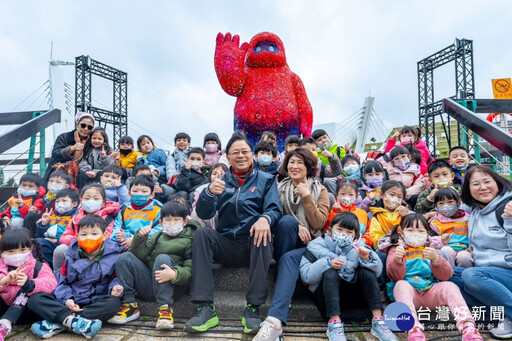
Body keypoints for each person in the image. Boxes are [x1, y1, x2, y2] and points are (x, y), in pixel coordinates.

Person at [184, 132, 282, 335]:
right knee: (202, 234)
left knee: (263, 234)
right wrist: (209, 193)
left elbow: (274, 209)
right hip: (226, 243)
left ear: (252, 155)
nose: (240, 156)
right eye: (235, 152)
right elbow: (204, 213)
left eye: (245, 151)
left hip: (252, 244)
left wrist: (265, 219)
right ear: (227, 157)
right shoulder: (221, 181)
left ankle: (253, 309)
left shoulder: (266, 180)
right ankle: (205, 308)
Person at [253, 147, 329, 341]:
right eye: (291, 163)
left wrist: (307, 196)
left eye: (300, 163)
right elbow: (273, 213)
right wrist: (296, 223)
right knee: (287, 223)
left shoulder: (320, 189)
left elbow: (319, 223)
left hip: (311, 246)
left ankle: (274, 322)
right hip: (285, 242)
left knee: (289, 257)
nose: (294, 167)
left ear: (309, 167)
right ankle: (276, 320)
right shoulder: (278, 187)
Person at [300, 212, 397, 341]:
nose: (344, 234)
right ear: (330, 231)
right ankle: (334, 324)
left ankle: (378, 321)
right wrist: (327, 263)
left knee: (367, 273)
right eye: (339, 230)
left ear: (355, 236)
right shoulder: (315, 245)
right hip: (327, 302)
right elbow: (306, 277)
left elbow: (378, 273)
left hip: (355, 302)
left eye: (349, 232)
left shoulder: (360, 246)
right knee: (330, 272)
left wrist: (368, 258)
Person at [386, 214, 483, 341]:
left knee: (450, 286)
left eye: (420, 231)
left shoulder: (430, 249)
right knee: (400, 285)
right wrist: (398, 259)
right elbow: (395, 276)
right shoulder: (396, 250)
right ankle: (413, 329)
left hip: (430, 292)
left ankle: (468, 327)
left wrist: (436, 259)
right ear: (402, 233)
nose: (415, 233)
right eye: (410, 230)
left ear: (427, 234)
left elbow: (446, 275)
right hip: (410, 294)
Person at [29, 215, 124, 339]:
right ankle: (77, 322)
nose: (89, 238)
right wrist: (67, 300)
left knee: (113, 303)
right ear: (77, 236)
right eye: (83, 234)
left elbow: (114, 279)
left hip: (95, 302)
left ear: (104, 235)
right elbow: (61, 281)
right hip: (70, 301)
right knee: (35, 299)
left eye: (94, 234)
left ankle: (63, 321)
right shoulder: (70, 255)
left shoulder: (115, 256)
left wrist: (116, 287)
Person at [109, 202, 197, 329]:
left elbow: (191, 268)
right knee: (125, 257)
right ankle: (129, 305)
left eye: (176, 220)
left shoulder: (191, 239)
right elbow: (140, 256)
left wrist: (175, 274)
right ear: (161, 223)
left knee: (163, 258)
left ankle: (165, 310)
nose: (172, 223)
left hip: (172, 289)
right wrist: (140, 238)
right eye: (168, 220)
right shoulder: (158, 236)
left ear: (185, 222)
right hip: (150, 285)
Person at [450, 166, 512, 339]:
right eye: (476, 184)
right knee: (445, 273)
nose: (483, 187)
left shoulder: (508, 207)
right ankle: (503, 314)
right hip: (487, 274)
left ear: (497, 182)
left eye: (487, 182)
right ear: (468, 190)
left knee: (471, 276)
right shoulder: (477, 210)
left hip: (506, 272)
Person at [0, 229, 57, 340]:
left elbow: (51, 283)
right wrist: (4, 281)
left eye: (22, 250)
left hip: (28, 312)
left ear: (30, 249)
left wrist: (30, 284)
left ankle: (5, 325)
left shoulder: (38, 265)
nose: (17, 255)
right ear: (2, 252)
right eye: (11, 251)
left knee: (26, 290)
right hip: (4, 309)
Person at [54, 184, 120, 272]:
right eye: (87, 198)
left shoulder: (108, 218)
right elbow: (64, 236)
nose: (91, 201)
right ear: (81, 200)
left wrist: (88, 240)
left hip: (98, 249)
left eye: (96, 199)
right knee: (60, 250)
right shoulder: (76, 218)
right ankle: (59, 276)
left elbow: (108, 237)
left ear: (103, 202)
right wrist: (80, 240)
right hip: (77, 247)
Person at [110, 175, 162, 250]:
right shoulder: (123, 210)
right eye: (135, 191)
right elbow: (116, 228)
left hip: (147, 246)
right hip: (124, 244)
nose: (139, 194)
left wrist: (136, 239)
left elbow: (159, 230)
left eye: (144, 191)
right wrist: (119, 236)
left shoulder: (157, 210)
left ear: (152, 195)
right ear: (129, 194)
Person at [44, 112, 95, 184]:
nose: (86, 129)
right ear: (77, 124)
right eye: (83, 125)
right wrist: (71, 148)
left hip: (80, 173)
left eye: (90, 127)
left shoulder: (91, 142)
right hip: (58, 170)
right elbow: (55, 154)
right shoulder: (64, 137)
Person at [35, 189, 80, 268]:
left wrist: (57, 240)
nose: (60, 204)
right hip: (49, 243)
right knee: (37, 243)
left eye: (64, 201)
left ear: (74, 204)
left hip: (65, 245)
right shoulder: (52, 216)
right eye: (57, 201)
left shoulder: (75, 217)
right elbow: (40, 236)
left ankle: (49, 268)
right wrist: (43, 224)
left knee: (41, 244)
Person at [429, 188, 473, 268]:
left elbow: (476, 236)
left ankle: (463, 276)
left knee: (464, 257)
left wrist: (471, 248)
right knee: (446, 250)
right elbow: (431, 240)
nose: (446, 206)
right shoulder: (435, 223)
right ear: (436, 206)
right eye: (441, 203)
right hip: (446, 248)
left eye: (450, 202)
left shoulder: (469, 219)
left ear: (459, 203)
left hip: (465, 250)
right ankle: (450, 274)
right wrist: (441, 240)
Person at [325, 179, 371, 246]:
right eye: (343, 194)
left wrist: (365, 240)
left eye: (351, 195)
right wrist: (336, 213)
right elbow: (327, 228)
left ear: (356, 196)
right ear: (337, 195)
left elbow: (368, 232)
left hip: (357, 247)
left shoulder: (363, 214)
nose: (346, 197)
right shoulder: (333, 211)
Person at [190, 163, 228, 229]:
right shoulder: (202, 188)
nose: (217, 176)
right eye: (214, 173)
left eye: (221, 174)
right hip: (205, 216)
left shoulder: (230, 188)